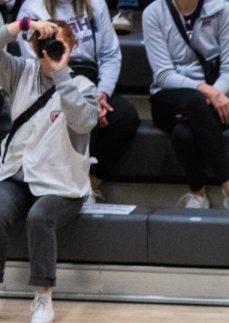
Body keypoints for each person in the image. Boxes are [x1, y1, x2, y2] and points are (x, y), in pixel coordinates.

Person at [0, 18, 97, 323]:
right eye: (46, 42)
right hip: (17, 176)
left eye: (59, 42)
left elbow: (83, 122)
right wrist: (22, 24)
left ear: (71, 46)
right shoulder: (19, 72)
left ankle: (43, 297)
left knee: (40, 217)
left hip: (61, 186)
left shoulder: (82, 86)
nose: (51, 48)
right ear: (35, 45)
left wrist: (61, 73)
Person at [143, 0, 229, 211]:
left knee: (183, 134)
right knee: (193, 101)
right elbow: (163, 74)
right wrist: (207, 93)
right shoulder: (153, 12)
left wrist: (214, 94)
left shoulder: (221, 8)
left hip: (216, 97)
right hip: (168, 98)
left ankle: (197, 194)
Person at [16, 0, 140, 204]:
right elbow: (34, 66)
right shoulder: (32, 8)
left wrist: (102, 94)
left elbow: (110, 54)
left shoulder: (96, 4)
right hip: (51, 85)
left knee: (125, 117)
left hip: (91, 82)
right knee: (78, 115)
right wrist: (71, 94)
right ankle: (67, 186)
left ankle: (91, 185)